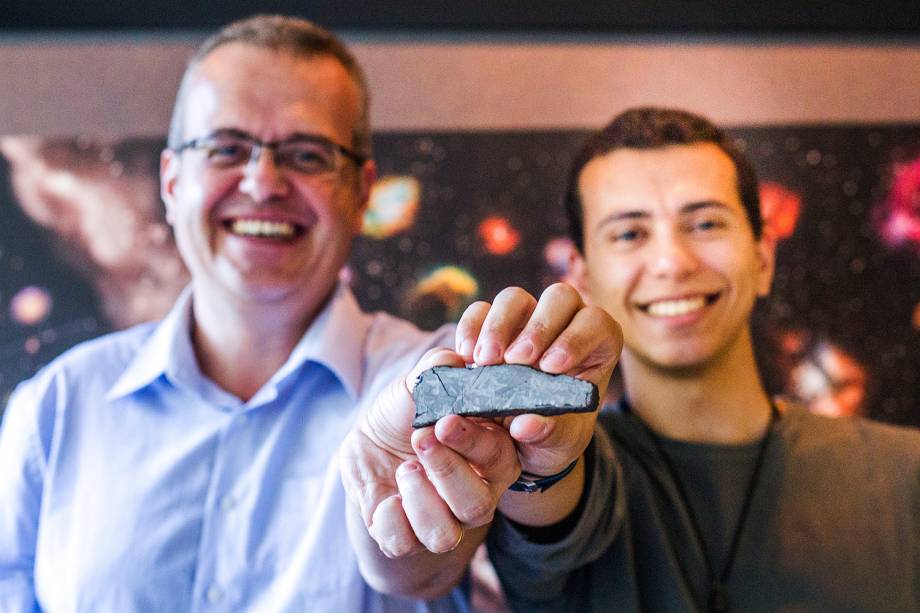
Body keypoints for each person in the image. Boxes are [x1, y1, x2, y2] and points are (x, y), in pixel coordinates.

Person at [0, 15, 624, 612]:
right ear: (172, 180)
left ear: (361, 193)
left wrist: (542, 467)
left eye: (306, 155)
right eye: (225, 147)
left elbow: (433, 566)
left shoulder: (438, 380)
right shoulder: (55, 408)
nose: (263, 182)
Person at [483, 108, 920, 612]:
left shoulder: (902, 475)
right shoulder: (573, 463)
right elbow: (547, 498)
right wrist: (533, 444)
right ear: (580, 276)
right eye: (629, 234)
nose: (673, 262)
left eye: (706, 223)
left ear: (763, 258)